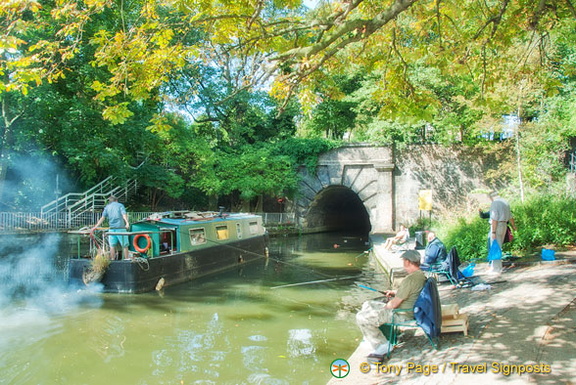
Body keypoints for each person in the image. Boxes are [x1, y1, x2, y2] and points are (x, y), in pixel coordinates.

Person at [356, 250, 426, 362]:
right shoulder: (419, 275)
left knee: (361, 317)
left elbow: (394, 304)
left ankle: (382, 345)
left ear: (408, 262)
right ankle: (370, 338)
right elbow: (408, 292)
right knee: (368, 304)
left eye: (403, 261)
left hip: (402, 314)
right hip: (407, 309)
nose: (403, 263)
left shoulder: (410, 279)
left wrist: (381, 309)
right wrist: (394, 292)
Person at [92, 195, 130, 260]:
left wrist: (96, 226)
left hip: (111, 229)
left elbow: (102, 218)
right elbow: (124, 214)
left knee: (112, 246)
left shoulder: (107, 207)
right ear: (116, 200)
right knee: (125, 245)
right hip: (120, 228)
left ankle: (112, 259)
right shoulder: (120, 205)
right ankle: (127, 259)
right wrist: (127, 223)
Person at [487, 191, 516, 272]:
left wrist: (493, 232)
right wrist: (513, 226)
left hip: (497, 226)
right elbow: (510, 216)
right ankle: (497, 267)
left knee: (495, 246)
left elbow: (494, 218)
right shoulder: (505, 202)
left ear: (491, 197)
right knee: (499, 246)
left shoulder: (495, 203)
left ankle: (496, 268)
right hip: (504, 225)